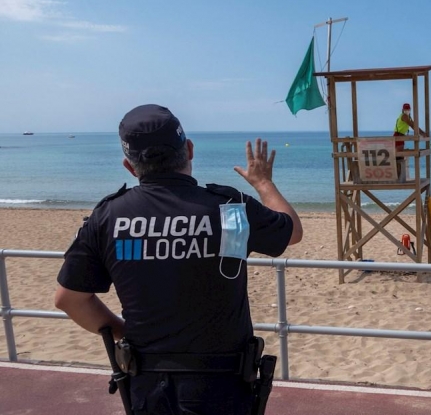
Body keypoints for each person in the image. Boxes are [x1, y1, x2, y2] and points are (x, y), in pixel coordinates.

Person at [54, 104, 302, 415]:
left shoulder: (108, 217)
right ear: (189, 149)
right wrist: (263, 183)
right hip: (222, 386)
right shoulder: (229, 210)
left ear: (130, 167)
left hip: (147, 385)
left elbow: (70, 299)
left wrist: (122, 331)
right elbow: (290, 232)